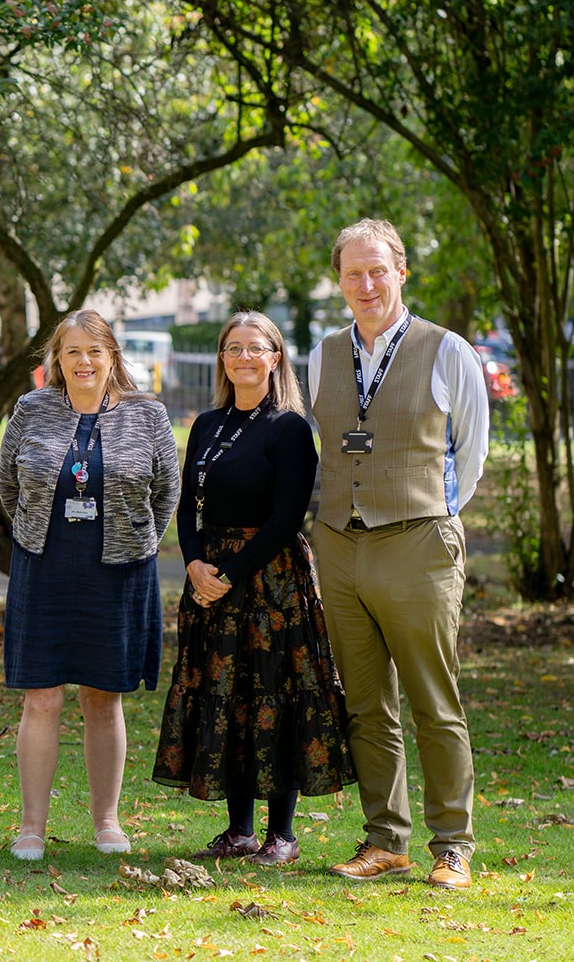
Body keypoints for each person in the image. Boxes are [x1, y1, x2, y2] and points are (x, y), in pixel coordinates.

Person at [308, 218, 490, 890]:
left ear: (401, 272)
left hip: (418, 540)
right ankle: (385, 839)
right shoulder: (323, 353)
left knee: (433, 699)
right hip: (340, 543)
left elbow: (470, 453)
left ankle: (453, 846)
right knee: (365, 703)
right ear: (339, 281)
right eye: (352, 273)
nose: (366, 284)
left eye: (377, 270)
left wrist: (432, 513)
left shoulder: (447, 350)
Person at [151, 311, 355, 863]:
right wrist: (194, 563)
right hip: (210, 579)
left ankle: (281, 834)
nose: (243, 357)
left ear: (275, 358)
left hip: (270, 582)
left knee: (274, 694)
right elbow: (187, 506)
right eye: (233, 348)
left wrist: (229, 573)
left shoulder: (289, 428)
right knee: (227, 695)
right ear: (222, 359)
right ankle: (238, 830)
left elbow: (287, 517)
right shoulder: (205, 424)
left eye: (255, 348)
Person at [0, 309, 181, 862]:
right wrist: (35, 529)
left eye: (94, 351)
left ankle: (107, 822)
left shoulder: (147, 414)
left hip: (118, 571)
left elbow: (166, 493)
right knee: (42, 696)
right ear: (57, 358)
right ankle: (31, 828)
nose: (84, 361)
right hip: (44, 565)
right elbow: (8, 484)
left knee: (103, 697)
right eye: (72, 351)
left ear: (112, 356)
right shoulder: (31, 409)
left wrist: (136, 538)